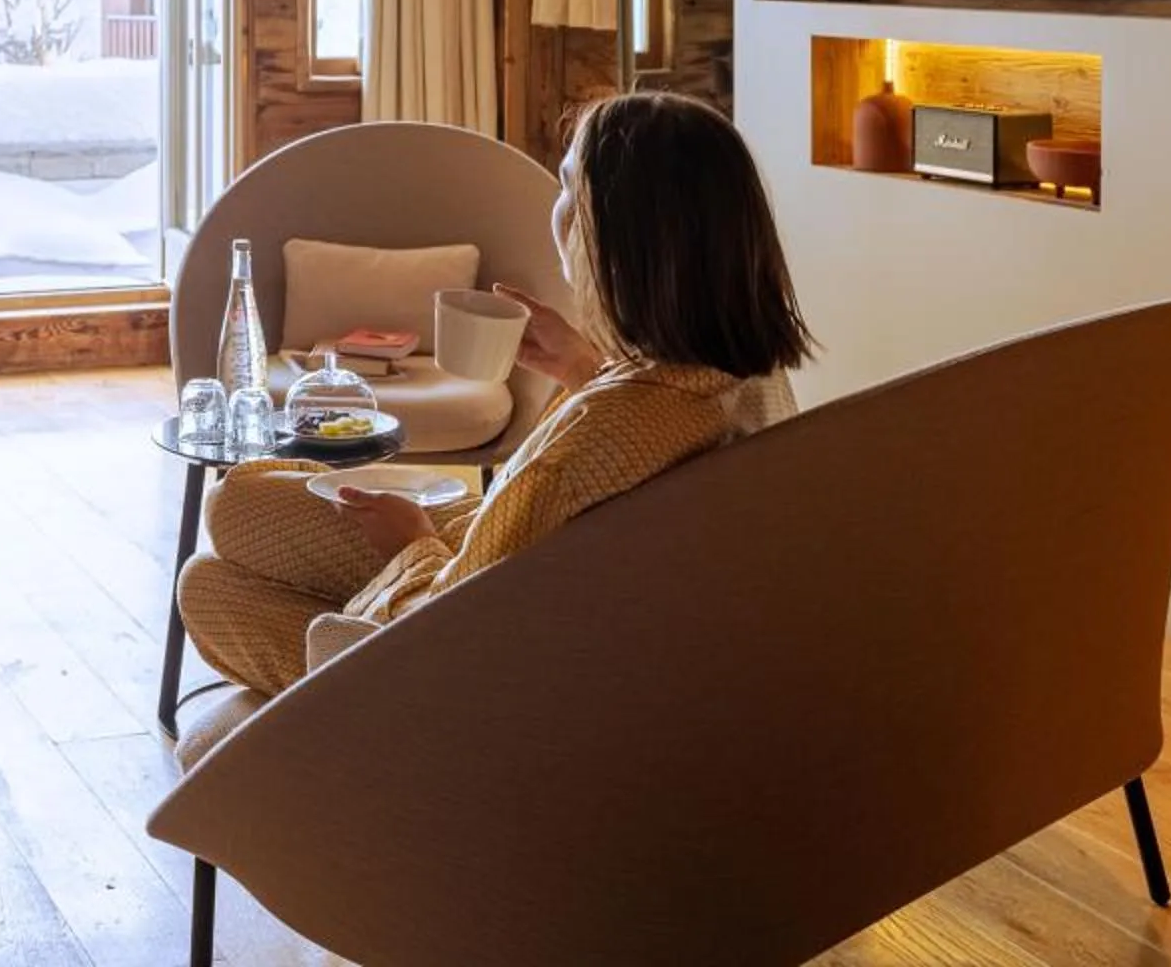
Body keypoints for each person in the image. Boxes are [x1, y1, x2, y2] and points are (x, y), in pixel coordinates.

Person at [175, 92, 814, 698]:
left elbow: (453, 631)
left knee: (209, 585)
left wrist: (412, 543)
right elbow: (616, 479)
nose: (555, 212)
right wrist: (585, 367)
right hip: (557, 603)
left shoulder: (601, 431)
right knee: (238, 502)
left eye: (569, 191)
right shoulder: (743, 378)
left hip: (462, 685)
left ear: (618, 240)